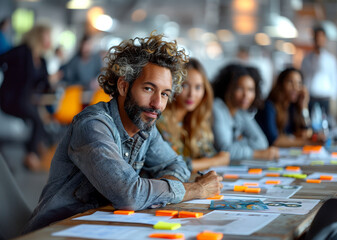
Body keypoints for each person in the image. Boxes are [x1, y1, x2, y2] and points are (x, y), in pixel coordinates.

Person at [23, 33, 223, 233]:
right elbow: (129, 195)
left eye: (164, 94)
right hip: (56, 232)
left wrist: (159, 190)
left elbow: (176, 164)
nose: (157, 104)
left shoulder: (146, 128)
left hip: (106, 229)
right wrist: (196, 189)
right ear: (123, 86)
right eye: (148, 89)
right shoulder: (93, 125)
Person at [157, 58, 230, 172]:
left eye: (198, 87)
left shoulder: (195, 120)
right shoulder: (159, 120)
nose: (192, 94)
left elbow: (211, 155)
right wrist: (215, 161)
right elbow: (174, 166)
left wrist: (214, 160)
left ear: (205, 91)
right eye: (185, 85)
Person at [0, 24, 54, 171]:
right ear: (38, 36)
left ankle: (36, 150)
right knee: (37, 119)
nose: (50, 39)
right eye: (47, 36)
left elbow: (43, 84)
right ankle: (31, 155)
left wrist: (51, 80)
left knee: (40, 117)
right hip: (11, 99)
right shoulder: (22, 51)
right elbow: (2, 59)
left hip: (26, 101)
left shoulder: (41, 60)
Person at [211, 64, 279, 161]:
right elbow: (225, 150)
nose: (246, 95)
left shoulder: (240, 112)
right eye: (240, 88)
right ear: (228, 88)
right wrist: (257, 154)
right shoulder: (217, 108)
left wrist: (237, 143)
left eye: (250, 89)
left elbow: (262, 143)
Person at [255, 67, 312, 147]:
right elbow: (275, 141)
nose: (295, 87)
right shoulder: (269, 106)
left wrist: (304, 107)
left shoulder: (292, 107)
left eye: (299, 83)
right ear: (281, 84)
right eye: (290, 82)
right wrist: (307, 142)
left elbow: (306, 133)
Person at [301, 26, 337, 115]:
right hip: (311, 97)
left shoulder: (330, 59)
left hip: (325, 98)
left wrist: (334, 98)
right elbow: (303, 77)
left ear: (325, 39)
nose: (319, 40)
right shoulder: (307, 59)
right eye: (317, 37)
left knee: (325, 121)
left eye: (321, 37)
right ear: (314, 39)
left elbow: (335, 79)